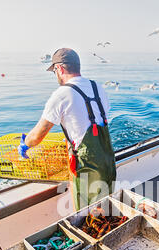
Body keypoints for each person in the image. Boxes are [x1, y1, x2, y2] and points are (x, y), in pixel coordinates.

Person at [18, 48, 116, 211]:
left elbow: (38, 135)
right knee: (105, 208)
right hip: (107, 160)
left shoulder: (61, 94)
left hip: (87, 166)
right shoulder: (98, 87)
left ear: (60, 69)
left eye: (54, 70)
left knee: (86, 214)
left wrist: (25, 144)